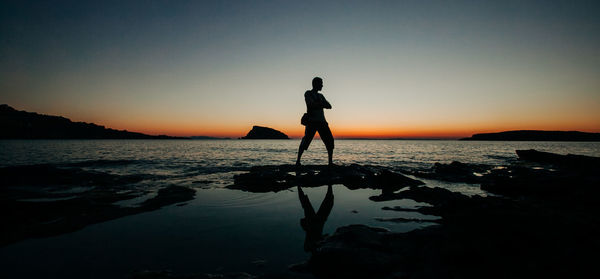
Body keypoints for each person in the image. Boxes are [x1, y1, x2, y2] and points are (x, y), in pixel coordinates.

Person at [296, 77, 334, 166]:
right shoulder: (308, 93)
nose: (322, 85)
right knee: (306, 141)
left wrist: (318, 103)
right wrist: (321, 104)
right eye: (321, 83)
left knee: (329, 141)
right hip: (312, 121)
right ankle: (298, 161)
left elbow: (329, 106)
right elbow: (310, 105)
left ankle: (330, 163)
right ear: (315, 84)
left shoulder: (321, 96)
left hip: (322, 122)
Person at [297, 184, 334, 252]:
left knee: (306, 204)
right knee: (328, 203)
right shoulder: (314, 245)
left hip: (313, 223)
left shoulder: (310, 245)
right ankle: (330, 184)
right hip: (317, 222)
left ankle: (298, 186)